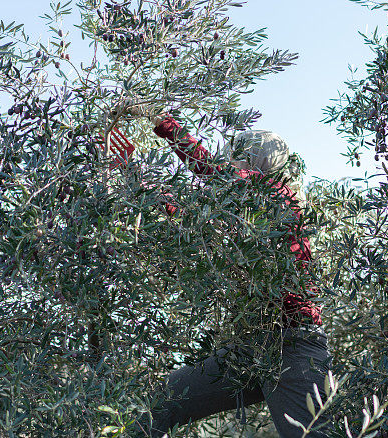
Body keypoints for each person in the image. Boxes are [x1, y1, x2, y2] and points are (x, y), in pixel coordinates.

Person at [120, 105, 333, 438]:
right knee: (168, 397)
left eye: (235, 156)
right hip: (250, 348)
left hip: (293, 345)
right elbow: (185, 214)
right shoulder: (237, 212)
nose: (229, 162)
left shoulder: (275, 195)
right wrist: (135, 179)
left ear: (252, 162)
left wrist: (163, 123)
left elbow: (215, 172)